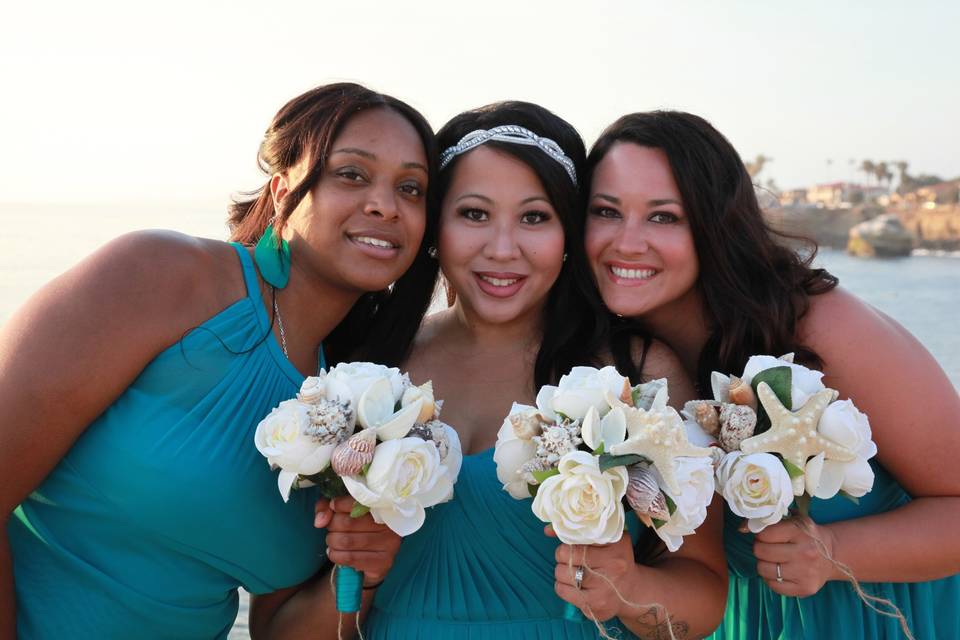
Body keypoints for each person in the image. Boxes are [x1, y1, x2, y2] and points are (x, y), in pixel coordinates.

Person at [0, 82, 440, 639]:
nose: (385, 205)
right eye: (351, 174)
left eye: (411, 188)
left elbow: (277, 630)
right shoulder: (163, 275)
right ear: (283, 191)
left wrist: (364, 572)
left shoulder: (353, 404)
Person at [318, 101, 728, 639]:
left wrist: (627, 588)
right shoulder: (369, 369)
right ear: (436, 225)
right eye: (474, 214)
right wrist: (362, 576)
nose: (503, 249)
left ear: (568, 236)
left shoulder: (638, 374)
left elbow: (704, 602)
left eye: (534, 217)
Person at [582, 110, 960, 639]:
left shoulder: (818, 327)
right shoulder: (613, 362)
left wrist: (830, 552)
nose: (627, 241)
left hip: (886, 617)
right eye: (606, 211)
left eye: (664, 217)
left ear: (715, 225)